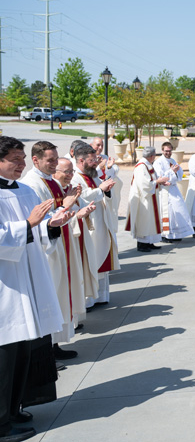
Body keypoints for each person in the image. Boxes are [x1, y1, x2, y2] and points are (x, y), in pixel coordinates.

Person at [0, 135, 71, 442]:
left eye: (22, 159)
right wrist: (28, 224)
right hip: (7, 285)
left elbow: (37, 231)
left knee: (23, 349)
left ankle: (13, 409)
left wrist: (51, 225)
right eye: (14, 160)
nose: (21, 164)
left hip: (29, 278)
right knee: (5, 354)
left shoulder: (26, 190)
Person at [20, 142, 86, 360]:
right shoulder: (31, 185)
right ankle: (47, 349)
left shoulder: (49, 181)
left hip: (59, 245)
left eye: (56, 159)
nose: (54, 164)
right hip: (45, 251)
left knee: (60, 294)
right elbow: (39, 221)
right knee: (51, 296)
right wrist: (65, 206)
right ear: (35, 160)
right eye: (50, 160)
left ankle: (54, 344)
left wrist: (70, 207)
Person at [71, 144, 119, 309]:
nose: (95, 164)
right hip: (89, 225)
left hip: (101, 222)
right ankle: (88, 299)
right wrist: (100, 189)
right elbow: (80, 198)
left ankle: (100, 296)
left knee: (101, 256)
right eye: (92, 161)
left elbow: (101, 192)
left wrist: (106, 190)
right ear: (81, 160)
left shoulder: (92, 175)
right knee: (90, 260)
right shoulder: (75, 177)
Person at [54, 158, 99, 321]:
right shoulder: (55, 191)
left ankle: (76, 318)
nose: (70, 175)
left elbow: (76, 210)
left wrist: (83, 212)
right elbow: (52, 220)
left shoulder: (70, 189)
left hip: (75, 240)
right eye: (67, 172)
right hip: (63, 243)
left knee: (76, 280)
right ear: (55, 171)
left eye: (72, 172)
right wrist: (77, 216)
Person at [125, 146, 170, 253]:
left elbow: (153, 179)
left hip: (150, 197)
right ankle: (142, 245)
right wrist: (158, 182)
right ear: (151, 156)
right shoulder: (141, 166)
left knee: (150, 221)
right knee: (144, 221)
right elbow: (144, 184)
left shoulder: (147, 164)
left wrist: (160, 182)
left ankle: (150, 242)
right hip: (143, 199)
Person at [153, 142, 195, 241]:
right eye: (166, 151)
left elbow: (179, 175)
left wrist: (174, 173)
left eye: (170, 151)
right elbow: (161, 176)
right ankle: (165, 235)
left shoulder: (173, 160)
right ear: (162, 150)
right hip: (164, 191)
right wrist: (172, 172)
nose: (168, 153)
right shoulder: (158, 162)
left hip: (173, 189)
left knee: (178, 211)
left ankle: (175, 234)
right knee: (167, 212)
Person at [91, 137, 123, 220]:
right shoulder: (88, 158)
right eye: (98, 145)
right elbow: (90, 175)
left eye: (102, 145)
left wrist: (109, 167)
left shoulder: (104, 157)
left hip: (106, 191)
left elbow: (115, 170)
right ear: (91, 145)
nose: (100, 148)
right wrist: (99, 167)